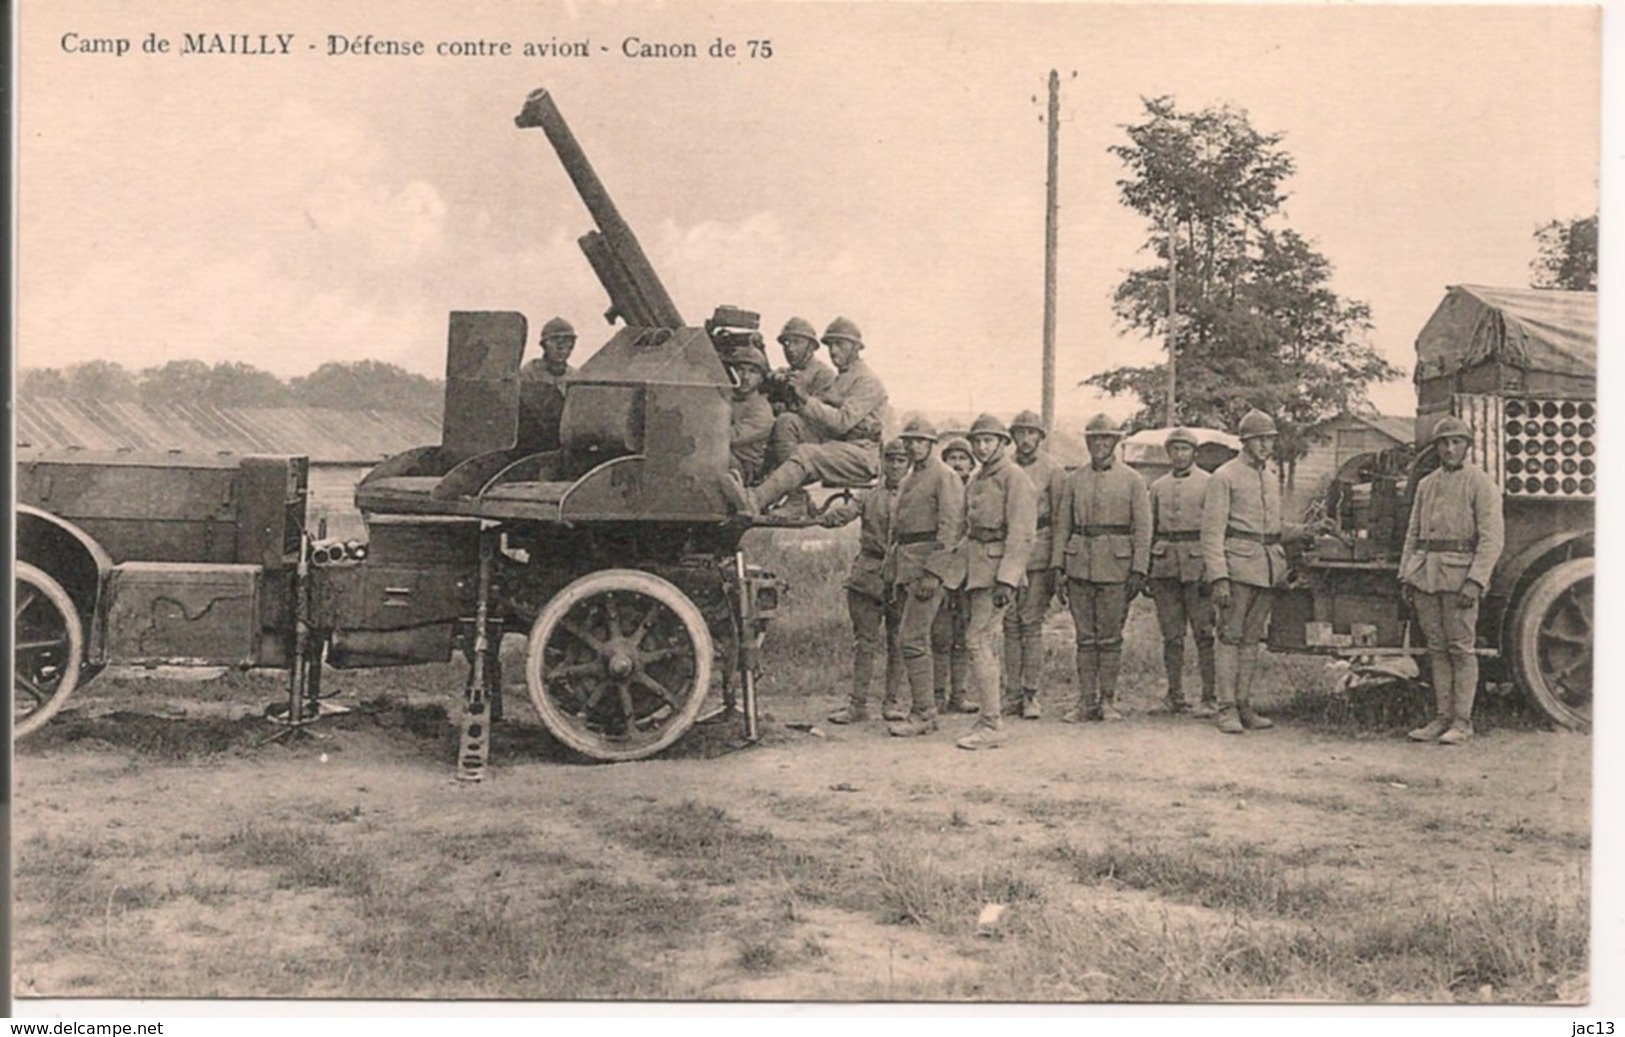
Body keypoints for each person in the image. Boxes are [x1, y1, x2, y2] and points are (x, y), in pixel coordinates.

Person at [1200, 409, 1327, 734]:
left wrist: (1307, 530)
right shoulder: (1224, 477)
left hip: (1268, 570)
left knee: (1251, 640)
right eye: (1259, 440)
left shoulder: (1270, 478)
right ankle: (1226, 708)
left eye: (1269, 439)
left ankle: (1244, 704)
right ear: (1245, 441)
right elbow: (1212, 532)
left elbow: (1273, 528)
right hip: (1237, 569)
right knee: (1230, 637)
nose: (1265, 445)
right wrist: (1219, 577)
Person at [1399, 416, 1505, 745]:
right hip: (1426, 576)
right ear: (1436, 448)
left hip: (1460, 578)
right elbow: (1413, 534)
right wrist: (1407, 574)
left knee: (1461, 649)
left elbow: (1492, 538)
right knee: (1436, 649)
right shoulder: (1426, 484)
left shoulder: (1481, 483)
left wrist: (1476, 580)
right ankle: (1441, 718)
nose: (1450, 448)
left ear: (1467, 446)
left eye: (1456, 442)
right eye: (1444, 442)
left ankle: (1462, 721)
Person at [1050, 414, 1151, 723]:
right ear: (1087, 442)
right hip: (1079, 565)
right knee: (1084, 637)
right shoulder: (1075, 480)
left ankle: (1107, 700)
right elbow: (1062, 524)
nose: (1099, 444)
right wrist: (1058, 565)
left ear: (1115, 442)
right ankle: (1086, 701)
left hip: (1117, 567)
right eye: (1094, 439)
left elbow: (1143, 528)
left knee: (1110, 637)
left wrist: (1138, 569)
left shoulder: (1133, 480)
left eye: (1106, 438)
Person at [742, 317, 888, 517]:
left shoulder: (867, 381)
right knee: (787, 422)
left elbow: (841, 422)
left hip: (861, 454)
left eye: (839, 344)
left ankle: (753, 500)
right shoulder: (842, 378)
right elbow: (817, 416)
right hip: (839, 446)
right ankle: (795, 499)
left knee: (806, 454)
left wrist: (805, 397)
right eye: (830, 345)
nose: (833, 351)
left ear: (856, 347)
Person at [953, 415, 1037, 751]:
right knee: (980, 642)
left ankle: (992, 724)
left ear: (1003, 443)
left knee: (978, 640)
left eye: (989, 441)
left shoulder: (1015, 478)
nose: (981, 447)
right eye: (977, 441)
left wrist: (1008, 579)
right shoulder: (978, 478)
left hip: (997, 571)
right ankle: (989, 715)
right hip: (977, 568)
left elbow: (1022, 532)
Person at [821, 438, 912, 724]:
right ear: (883, 462)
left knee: (899, 641)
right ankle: (857, 704)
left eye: (901, 460)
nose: (895, 465)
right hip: (868, 574)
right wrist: (833, 516)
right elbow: (849, 510)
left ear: (909, 464)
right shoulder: (868, 495)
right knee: (865, 641)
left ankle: (892, 703)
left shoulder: (916, 495)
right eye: (891, 460)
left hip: (902, 575)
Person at [886, 417, 966, 736]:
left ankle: (925, 713)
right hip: (907, 567)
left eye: (920, 441)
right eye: (910, 440)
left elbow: (950, 527)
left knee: (912, 639)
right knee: (911, 638)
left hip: (927, 570)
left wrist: (934, 572)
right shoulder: (909, 478)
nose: (913, 446)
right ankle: (922, 706)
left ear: (932, 444)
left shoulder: (943, 476)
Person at [1148, 427, 1219, 717]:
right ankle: (1175, 695)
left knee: (1204, 633)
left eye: (1185, 449)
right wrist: (1147, 569)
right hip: (1164, 569)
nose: (1179, 455)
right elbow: (1149, 529)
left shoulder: (1210, 483)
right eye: (1174, 449)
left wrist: (1212, 569)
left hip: (1197, 566)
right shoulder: (1158, 486)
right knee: (1172, 636)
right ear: (1168, 453)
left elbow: (1216, 529)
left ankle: (1210, 696)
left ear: (1195, 453)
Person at [1002, 409, 1068, 719]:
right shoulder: (1004, 466)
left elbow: (1059, 519)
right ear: (1012, 437)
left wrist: (1057, 563)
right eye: (1020, 433)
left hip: (1038, 553)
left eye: (1031, 433)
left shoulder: (1053, 470)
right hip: (1006, 553)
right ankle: (1011, 692)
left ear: (1040, 437)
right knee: (1009, 624)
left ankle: (1031, 693)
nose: (1025, 439)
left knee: (1031, 625)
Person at [934, 436, 977, 713]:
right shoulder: (938, 491)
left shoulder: (978, 492)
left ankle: (958, 694)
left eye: (963, 458)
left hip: (970, 573)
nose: (958, 463)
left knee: (963, 637)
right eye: (953, 458)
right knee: (939, 636)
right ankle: (937, 695)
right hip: (940, 571)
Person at [518, 316, 577, 450]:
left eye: (567, 341)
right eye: (555, 340)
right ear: (544, 345)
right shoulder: (529, 373)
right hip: (532, 441)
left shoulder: (576, 377)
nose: (561, 347)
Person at [722, 344, 775, 485]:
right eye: (740, 370)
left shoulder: (762, 411)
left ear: (761, 378)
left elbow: (728, 437)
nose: (745, 377)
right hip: (724, 458)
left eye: (752, 372)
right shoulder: (724, 398)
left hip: (743, 468)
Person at [768, 317, 838, 422]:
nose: (790, 348)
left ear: (811, 346)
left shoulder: (824, 375)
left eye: (797, 342)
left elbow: (824, 418)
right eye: (786, 343)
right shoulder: (786, 373)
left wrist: (802, 393)